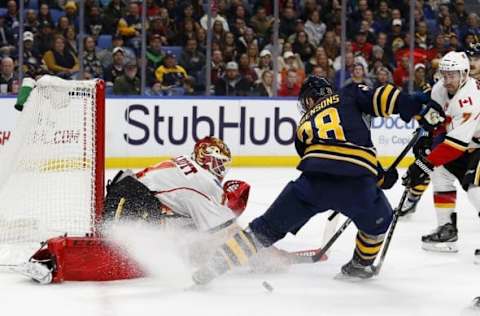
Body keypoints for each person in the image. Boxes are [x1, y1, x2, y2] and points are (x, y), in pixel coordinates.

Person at [191, 75, 445, 285]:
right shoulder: (348, 94)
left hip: (311, 185)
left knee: (263, 229)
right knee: (380, 221)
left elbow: (327, 157)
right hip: (356, 184)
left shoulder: (304, 124)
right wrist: (419, 107)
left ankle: (217, 263)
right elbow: (386, 97)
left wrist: (375, 173)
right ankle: (360, 265)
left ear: (311, 99)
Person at [402, 51, 480, 255]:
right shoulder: (441, 87)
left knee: (475, 189)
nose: (446, 80)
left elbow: (455, 144)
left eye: (452, 75)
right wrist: (428, 137)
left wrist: (423, 163)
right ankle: (447, 229)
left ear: (464, 74)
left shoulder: (469, 99)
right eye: (444, 75)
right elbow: (437, 118)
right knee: (439, 173)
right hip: (469, 143)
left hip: (471, 144)